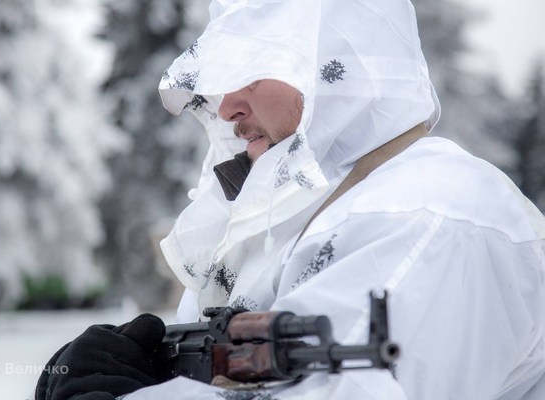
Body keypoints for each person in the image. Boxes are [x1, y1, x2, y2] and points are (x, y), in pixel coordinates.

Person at [36, 0, 545, 399]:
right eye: (224, 72)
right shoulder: (280, 214)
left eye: (255, 68)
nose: (229, 105)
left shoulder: (427, 214)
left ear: (334, 63)